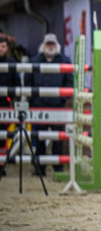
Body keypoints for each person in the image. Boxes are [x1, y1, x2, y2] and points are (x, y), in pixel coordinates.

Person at [25, 33, 73, 166]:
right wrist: (33, 99)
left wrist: (62, 98)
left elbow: (69, 83)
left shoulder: (65, 60)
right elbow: (28, 81)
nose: (50, 46)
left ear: (56, 45)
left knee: (58, 139)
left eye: (52, 44)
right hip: (39, 106)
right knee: (39, 138)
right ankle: (40, 168)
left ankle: (58, 167)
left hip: (57, 106)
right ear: (44, 45)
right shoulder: (34, 61)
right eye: (48, 44)